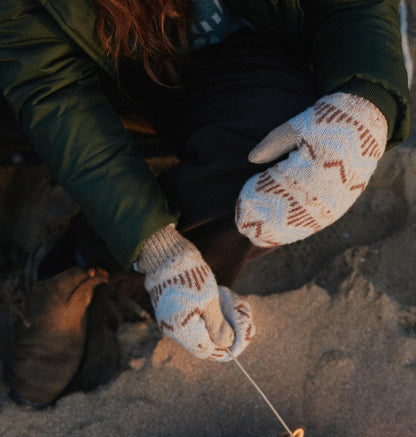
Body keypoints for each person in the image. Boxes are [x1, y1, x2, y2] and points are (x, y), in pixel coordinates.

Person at [0, 0, 411, 406]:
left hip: (256, 43)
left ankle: (89, 253)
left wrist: (365, 101)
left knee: (284, 174)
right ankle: (73, 266)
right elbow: (50, 86)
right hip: (114, 70)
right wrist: (158, 249)